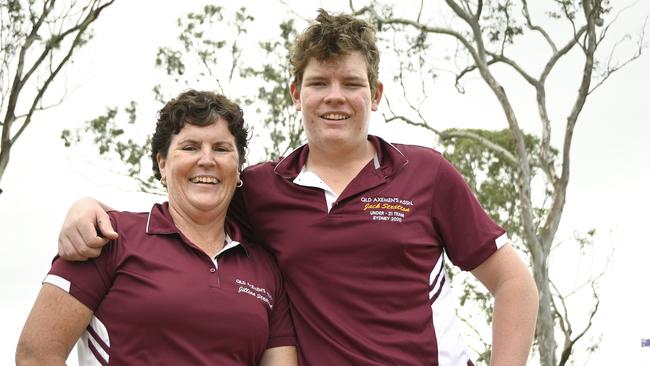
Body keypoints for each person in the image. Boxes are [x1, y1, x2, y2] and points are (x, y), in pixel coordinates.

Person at [53, 9, 538, 366]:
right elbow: (190, 201)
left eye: (351, 82)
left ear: (376, 94)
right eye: (318, 82)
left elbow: (514, 283)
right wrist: (87, 205)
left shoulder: (426, 174)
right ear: (296, 94)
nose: (334, 96)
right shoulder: (261, 189)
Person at [16, 90, 298, 365]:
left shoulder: (265, 268)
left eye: (222, 149)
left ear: (238, 169)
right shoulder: (108, 237)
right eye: (190, 147)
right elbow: (35, 354)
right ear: (162, 164)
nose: (207, 160)